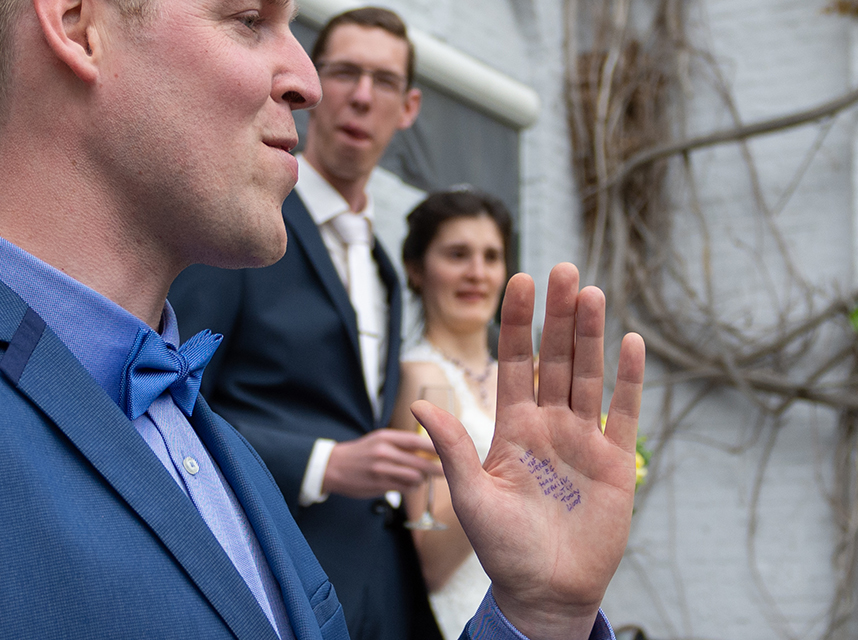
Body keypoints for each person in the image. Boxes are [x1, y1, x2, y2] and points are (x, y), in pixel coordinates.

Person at [0, 0, 647, 638]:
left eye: (384, 80)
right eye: (248, 20)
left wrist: (538, 614)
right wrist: (324, 463)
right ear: (78, 24)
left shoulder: (220, 460)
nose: (309, 83)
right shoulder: (227, 263)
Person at [168, 8, 440, 639]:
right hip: (269, 584)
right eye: (344, 72)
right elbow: (174, 400)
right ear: (314, 81)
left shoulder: (385, 268)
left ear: (408, 107)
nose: (361, 96)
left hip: (375, 597)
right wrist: (324, 463)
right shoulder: (239, 227)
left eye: (384, 80)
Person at [389, 188, 511, 638]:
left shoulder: (524, 378)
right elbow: (430, 561)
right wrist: (514, 459)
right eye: (458, 254)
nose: (477, 272)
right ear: (416, 269)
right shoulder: (422, 379)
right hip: (463, 617)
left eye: (491, 256)